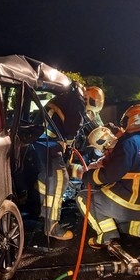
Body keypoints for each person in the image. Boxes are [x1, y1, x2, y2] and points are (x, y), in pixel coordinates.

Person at [76, 104, 140, 248]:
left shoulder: (127, 143)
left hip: (124, 203)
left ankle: (106, 236)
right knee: (127, 229)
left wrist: (88, 176)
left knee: (84, 197)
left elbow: (111, 174)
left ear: (132, 120)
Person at [34, 85, 92, 240]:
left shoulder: (62, 99)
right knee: (60, 178)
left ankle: (40, 213)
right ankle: (52, 226)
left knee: (46, 179)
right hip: (50, 144)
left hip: (38, 143)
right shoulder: (77, 101)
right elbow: (72, 128)